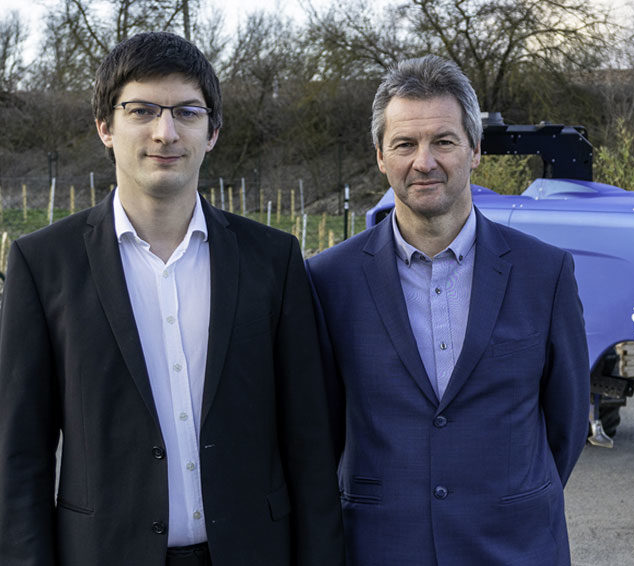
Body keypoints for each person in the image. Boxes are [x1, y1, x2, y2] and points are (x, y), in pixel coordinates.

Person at [0, 32, 343, 566]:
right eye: (141, 110)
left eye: (186, 112)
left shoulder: (273, 260)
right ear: (105, 127)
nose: (165, 132)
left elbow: (311, 443)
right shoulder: (43, 264)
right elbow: (20, 456)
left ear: (212, 133)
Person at [306, 54, 589, 565]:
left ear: (475, 150)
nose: (424, 161)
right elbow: (319, 432)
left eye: (443, 141)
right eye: (405, 144)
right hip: (380, 547)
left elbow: (564, 427)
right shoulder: (328, 281)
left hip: (515, 547)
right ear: (380, 156)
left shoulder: (544, 274)